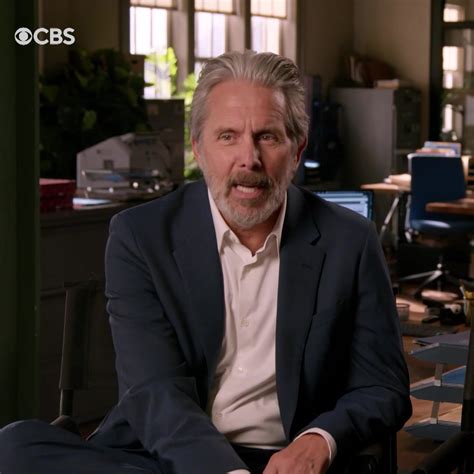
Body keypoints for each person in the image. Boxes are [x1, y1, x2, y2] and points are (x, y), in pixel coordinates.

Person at [0, 50, 411, 474]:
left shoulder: (350, 240)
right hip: (163, 453)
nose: (248, 159)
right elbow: (154, 391)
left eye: (267, 137)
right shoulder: (141, 236)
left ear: (297, 150)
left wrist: (319, 440)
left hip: (281, 462)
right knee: (14, 446)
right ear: (198, 149)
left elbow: (383, 387)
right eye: (227, 136)